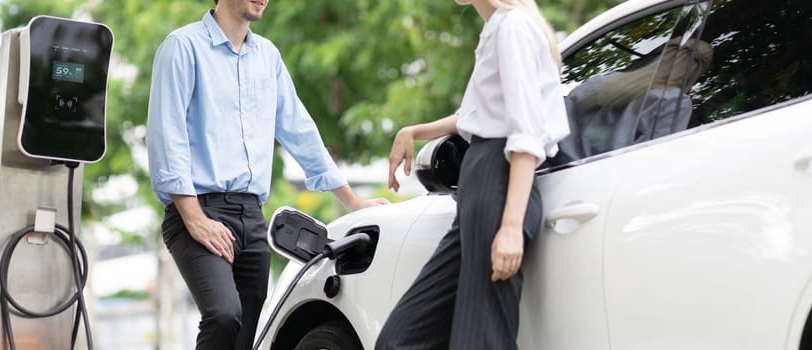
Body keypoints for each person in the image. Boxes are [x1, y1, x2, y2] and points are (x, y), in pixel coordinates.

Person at [145, 0, 387, 349]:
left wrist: (352, 201)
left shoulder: (267, 56)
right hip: (197, 210)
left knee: (247, 334)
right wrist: (194, 218)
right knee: (224, 313)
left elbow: (299, 129)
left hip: (251, 217)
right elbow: (167, 137)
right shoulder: (182, 48)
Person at [375, 0, 569, 349]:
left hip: (498, 184)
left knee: (479, 340)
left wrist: (510, 227)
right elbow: (478, 113)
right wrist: (415, 130)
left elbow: (525, 134)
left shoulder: (513, 28)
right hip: (479, 187)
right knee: (399, 339)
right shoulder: (499, 28)